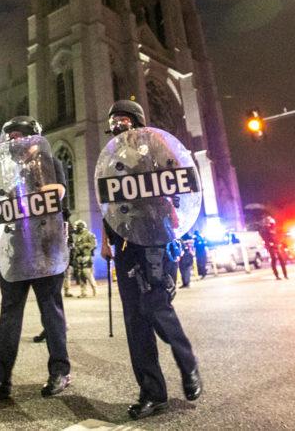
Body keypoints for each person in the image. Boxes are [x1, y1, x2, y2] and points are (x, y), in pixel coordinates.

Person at [98, 100, 201, 420]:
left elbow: (181, 183)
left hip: (155, 235)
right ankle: (152, 393)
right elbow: (108, 201)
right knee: (136, 321)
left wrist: (173, 223)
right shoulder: (109, 156)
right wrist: (105, 240)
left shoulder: (156, 147)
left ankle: (188, 364)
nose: (117, 124)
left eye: (124, 119)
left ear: (137, 122)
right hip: (125, 241)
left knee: (157, 307)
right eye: (114, 119)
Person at [0, 116, 72, 399]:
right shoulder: (8, 171)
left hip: (47, 247)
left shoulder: (51, 163)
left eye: (19, 135)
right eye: (10, 136)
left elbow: (58, 193)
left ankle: (60, 371)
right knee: (9, 314)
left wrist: (32, 186)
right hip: (16, 249)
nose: (14, 141)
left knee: (51, 311)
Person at [71, 220, 98, 297]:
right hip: (79, 257)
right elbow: (76, 246)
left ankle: (94, 289)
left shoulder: (89, 234)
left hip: (86, 256)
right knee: (80, 275)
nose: (76, 229)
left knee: (87, 273)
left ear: (81, 226)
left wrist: (84, 245)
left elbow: (94, 245)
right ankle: (83, 292)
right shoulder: (77, 236)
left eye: (77, 227)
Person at [259, 216, 288, 280]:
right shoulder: (264, 229)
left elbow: (278, 235)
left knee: (281, 260)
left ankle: (285, 275)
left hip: (276, 245)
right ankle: (277, 275)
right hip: (271, 246)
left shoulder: (273, 228)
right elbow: (265, 238)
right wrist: (269, 244)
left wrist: (279, 242)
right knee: (274, 259)